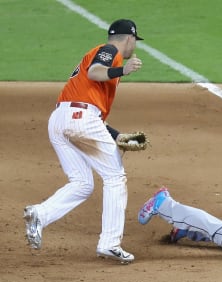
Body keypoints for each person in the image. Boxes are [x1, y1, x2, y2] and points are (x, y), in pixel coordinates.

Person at [23, 19, 144, 264]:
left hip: (61, 120)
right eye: (134, 41)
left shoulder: (99, 55)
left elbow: (86, 109)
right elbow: (95, 72)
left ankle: (39, 214)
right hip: (79, 118)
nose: (134, 47)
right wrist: (123, 69)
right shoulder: (110, 52)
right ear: (129, 38)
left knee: (82, 183)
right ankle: (110, 243)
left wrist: (116, 135)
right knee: (114, 177)